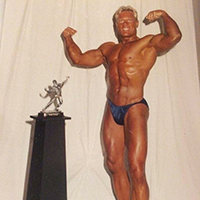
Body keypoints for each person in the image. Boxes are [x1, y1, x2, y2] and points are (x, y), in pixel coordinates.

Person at [61, 6, 181, 200]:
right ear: (116, 26)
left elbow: (174, 36)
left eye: (128, 21)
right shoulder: (108, 49)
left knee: (136, 168)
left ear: (135, 23)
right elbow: (79, 58)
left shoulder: (147, 44)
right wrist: (68, 38)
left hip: (134, 106)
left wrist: (164, 15)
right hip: (113, 106)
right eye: (120, 22)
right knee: (113, 163)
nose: (124, 24)